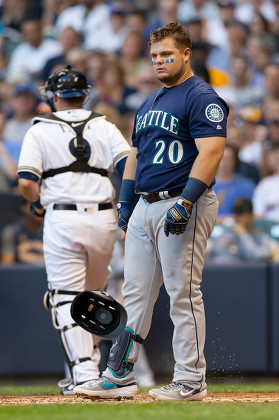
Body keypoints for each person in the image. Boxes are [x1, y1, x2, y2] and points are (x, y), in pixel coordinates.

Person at [74, 21, 228, 401]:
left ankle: (191, 379)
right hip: (146, 203)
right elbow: (135, 156)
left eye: (167, 55)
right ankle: (119, 375)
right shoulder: (149, 101)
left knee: (182, 293)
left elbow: (212, 152)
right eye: (155, 55)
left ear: (186, 54)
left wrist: (187, 201)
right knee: (135, 294)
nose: (159, 61)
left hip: (183, 200)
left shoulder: (200, 95)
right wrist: (126, 203)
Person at [17, 65, 130, 394]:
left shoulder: (40, 128)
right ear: (84, 95)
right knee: (93, 296)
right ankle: (91, 365)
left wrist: (37, 204)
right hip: (104, 218)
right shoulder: (103, 125)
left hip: (63, 218)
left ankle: (83, 373)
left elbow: (26, 183)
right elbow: (128, 165)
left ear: (54, 97)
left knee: (66, 297)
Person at [206, 198, 279, 264]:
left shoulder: (261, 238)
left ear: (251, 216)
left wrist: (244, 235)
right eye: (236, 214)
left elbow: (258, 258)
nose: (238, 218)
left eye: (242, 214)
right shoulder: (224, 237)